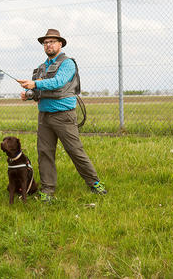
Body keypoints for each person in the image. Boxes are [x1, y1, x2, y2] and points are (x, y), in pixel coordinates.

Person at [17, 29, 107, 203]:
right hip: (44, 116)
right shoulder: (41, 68)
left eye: (52, 41)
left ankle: (94, 182)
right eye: (46, 42)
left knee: (75, 151)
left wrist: (35, 84)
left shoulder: (68, 64)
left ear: (60, 44)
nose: (48, 45)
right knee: (44, 153)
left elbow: (58, 83)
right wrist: (28, 94)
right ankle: (47, 190)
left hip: (64, 116)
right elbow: (39, 91)